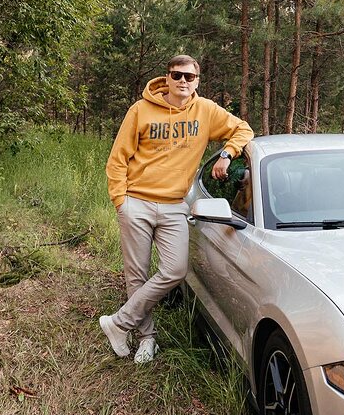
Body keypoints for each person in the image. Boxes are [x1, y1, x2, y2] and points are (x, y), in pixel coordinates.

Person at [101, 55, 254, 363]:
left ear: (197, 81)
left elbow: (243, 130)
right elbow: (118, 159)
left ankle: (118, 322)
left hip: (174, 206)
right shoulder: (140, 111)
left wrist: (226, 154)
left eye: (189, 76)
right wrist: (121, 201)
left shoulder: (206, 111)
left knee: (174, 270)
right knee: (137, 274)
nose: (183, 81)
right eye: (177, 75)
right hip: (137, 203)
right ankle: (146, 338)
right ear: (167, 78)